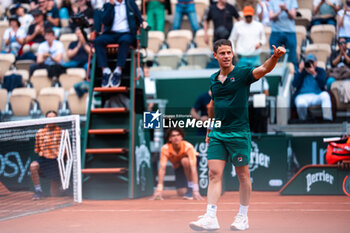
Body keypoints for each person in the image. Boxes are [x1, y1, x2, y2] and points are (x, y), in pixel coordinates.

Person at [189, 39, 285, 231]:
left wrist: (274, 57)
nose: (226, 56)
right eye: (222, 53)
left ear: (233, 54)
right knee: (214, 174)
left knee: (242, 176)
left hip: (239, 133)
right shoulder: (213, 79)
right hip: (217, 134)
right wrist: (210, 129)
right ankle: (210, 217)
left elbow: (264, 69)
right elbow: (212, 106)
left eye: (229, 53)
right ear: (215, 56)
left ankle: (242, 216)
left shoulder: (242, 73)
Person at [94, 0, 147, 88]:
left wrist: (143, 23)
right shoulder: (108, 4)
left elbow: (139, 18)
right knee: (98, 41)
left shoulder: (130, 3)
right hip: (110, 34)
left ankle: (118, 70)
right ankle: (105, 71)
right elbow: (105, 21)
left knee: (125, 41)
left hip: (126, 33)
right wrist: (110, 6)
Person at [151, 128, 203, 200]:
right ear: (169, 139)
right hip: (178, 165)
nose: (176, 138)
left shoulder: (188, 147)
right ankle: (188, 188)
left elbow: (193, 169)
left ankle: (190, 187)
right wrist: (159, 189)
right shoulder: (165, 149)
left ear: (181, 137)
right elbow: (162, 169)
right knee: (181, 192)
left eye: (178, 135)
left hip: (191, 162)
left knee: (184, 161)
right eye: (173, 136)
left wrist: (196, 189)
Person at [30, 110, 62, 200]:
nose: (51, 120)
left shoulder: (61, 132)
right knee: (33, 166)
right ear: (46, 119)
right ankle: (38, 191)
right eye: (49, 118)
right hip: (43, 160)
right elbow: (37, 149)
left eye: (53, 118)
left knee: (54, 195)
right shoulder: (40, 132)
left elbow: (65, 151)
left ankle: (62, 187)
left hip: (56, 162)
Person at [292, 54, 333, 122]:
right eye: (308, 62)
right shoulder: (302, 72)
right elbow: (294, 85)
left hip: (317, 95)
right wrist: (299, 71)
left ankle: (327, 119)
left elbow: (323, 84)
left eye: (312, 62)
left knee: (325, 95)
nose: (310, 64)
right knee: (300, 103)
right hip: (303, 95)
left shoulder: (320, 70)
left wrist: (314, 73)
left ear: (316, 63)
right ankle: (303, 120)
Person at [269, 0, 298, 69]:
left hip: (290, 32)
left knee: (292, 59)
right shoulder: (272, 1)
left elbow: (294, 16)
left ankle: (294, 77)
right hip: (276, 32)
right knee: (274, 59)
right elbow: (271, 16)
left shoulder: (292, 1)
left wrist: (285, 9)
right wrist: (280, 11)